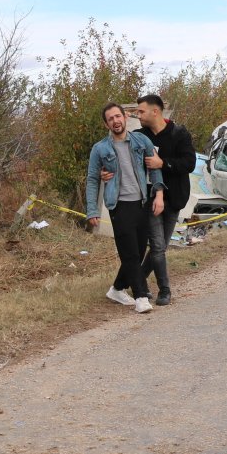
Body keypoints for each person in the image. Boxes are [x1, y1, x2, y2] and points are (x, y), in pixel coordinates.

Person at [86, 103, 164, 314]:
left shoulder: (141, 141)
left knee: (138, 251)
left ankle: (117, 288)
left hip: (141, 202)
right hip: (118, 205)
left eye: (118, 116)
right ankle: (140, 296)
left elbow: (155, 168)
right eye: (110, 119)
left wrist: (158, 195)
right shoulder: (100, 149)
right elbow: (92, 179)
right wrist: (92, 210)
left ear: (124, 118)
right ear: (106, 123)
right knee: (128, 252)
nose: (115, 121)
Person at [135, 94, 197, 306]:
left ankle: (138, 280)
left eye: (141, 111)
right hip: (151, 198)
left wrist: (163, 163)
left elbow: (189, 163)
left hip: (175, 198)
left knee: (159, 248)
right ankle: (165, 290)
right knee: (158, 246)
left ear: (156, 111)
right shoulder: (140, 136)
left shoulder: (179, 134)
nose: (138, 115)